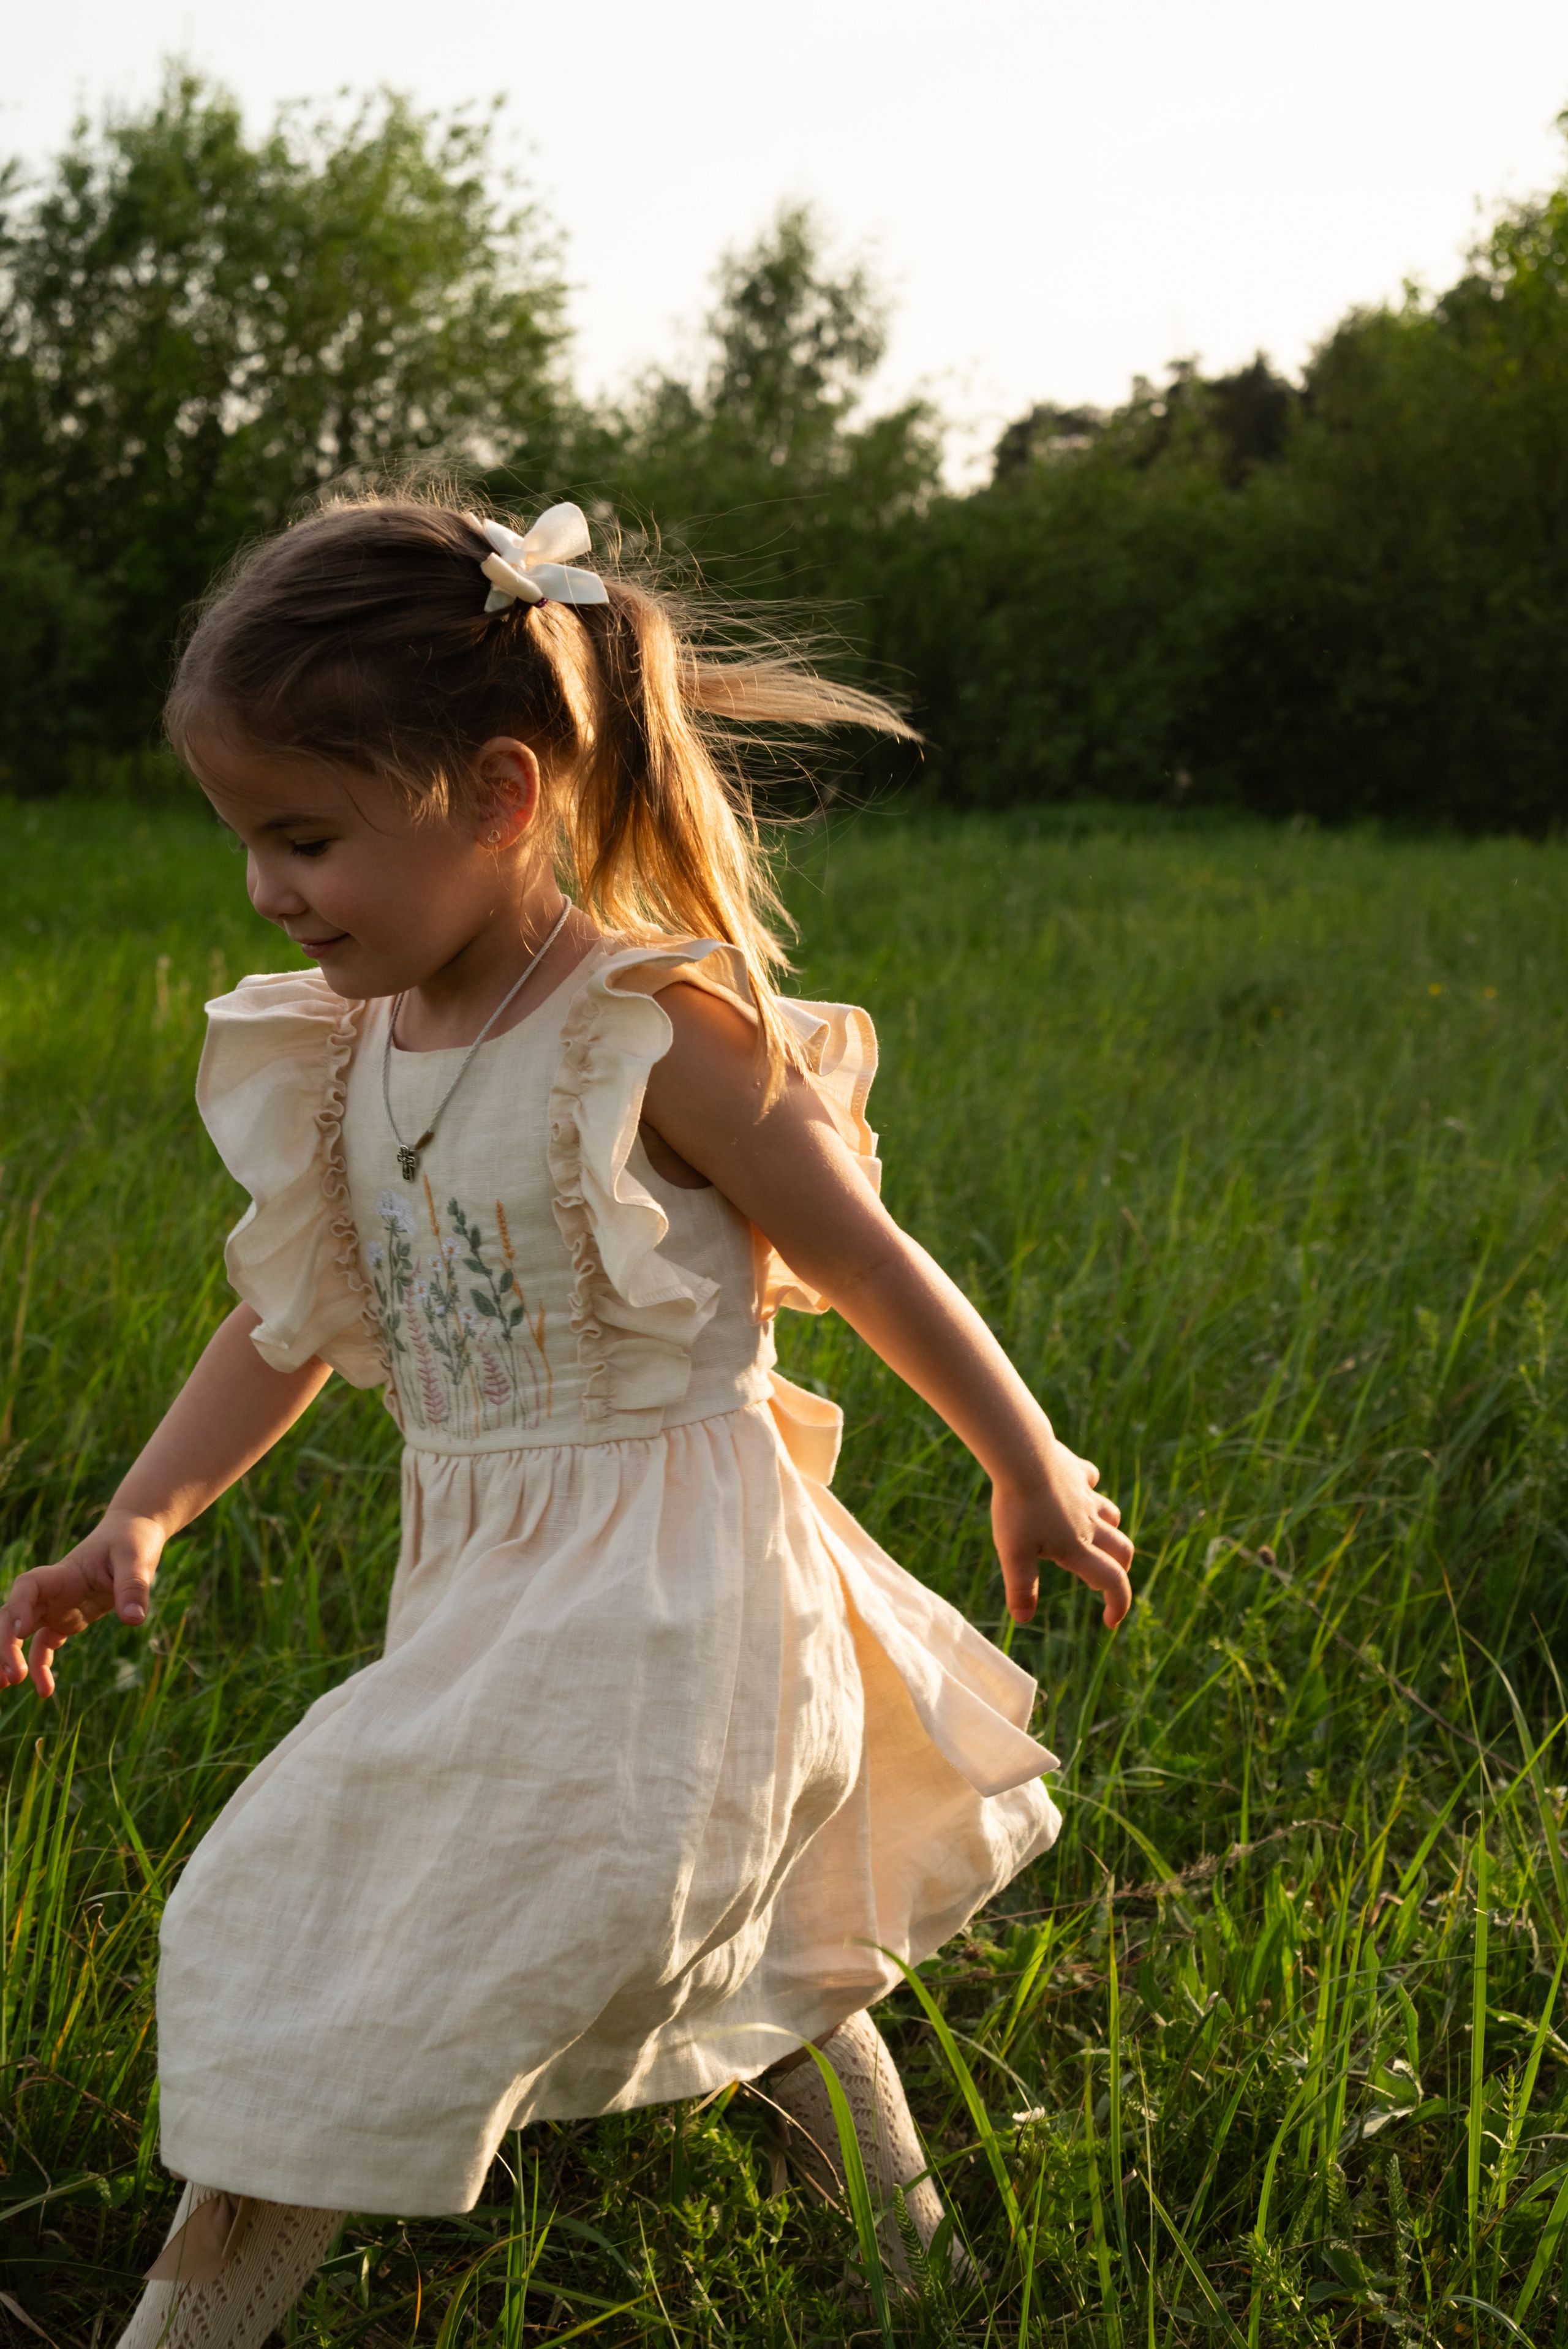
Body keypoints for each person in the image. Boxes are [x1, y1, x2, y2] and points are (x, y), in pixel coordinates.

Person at [0, 496, 1134, 2344]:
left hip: (676, 1609)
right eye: (247, 843)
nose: (271, 890)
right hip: (490, 1601)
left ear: (501, 793)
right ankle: (921, 2271)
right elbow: (289, 1324)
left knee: (340, 1948)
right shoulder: (346, 1047)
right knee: (738, 1944)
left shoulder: (648, 1029)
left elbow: (865, 1259)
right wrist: (138, 1515)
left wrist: (1025, 1459)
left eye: (308, 836)